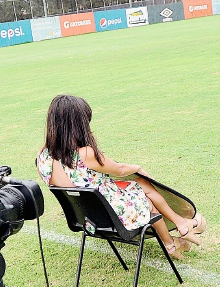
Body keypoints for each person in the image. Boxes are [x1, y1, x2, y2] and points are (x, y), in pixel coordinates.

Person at [36, 94, 205, 259]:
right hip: (110, 215)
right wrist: (138, 167)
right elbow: (120, 169)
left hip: (85, 217)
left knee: (140, 184)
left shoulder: (42, 157)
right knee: (146, 196)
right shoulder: (85, 153)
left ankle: (177, 231)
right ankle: (175, 236)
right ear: (78, 125)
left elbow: (75, 183)